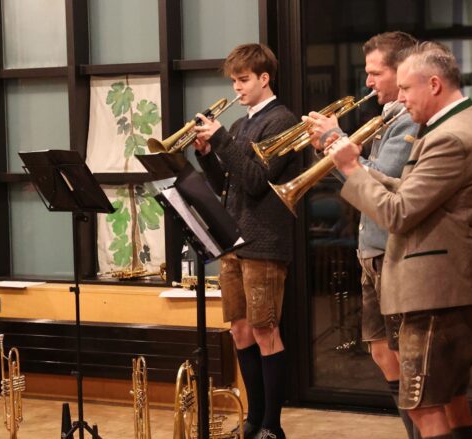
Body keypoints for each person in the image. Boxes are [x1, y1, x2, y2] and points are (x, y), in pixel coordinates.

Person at [327, 42, 472, 439]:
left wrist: (352, 169)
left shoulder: (450, 137)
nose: (401, 98)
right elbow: (411, 192)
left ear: (434, 84)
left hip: (438, 292)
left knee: (423, 408)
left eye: (406, 88)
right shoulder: (461, 124)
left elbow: (398, 213)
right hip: (451, 287)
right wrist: (362, 173)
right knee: (452, 401)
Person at [304, 31, 421, 439]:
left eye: (375, 73)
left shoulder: (407, 119)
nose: (367, 82)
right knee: (381, 350)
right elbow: (361, 176)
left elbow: (381, 180)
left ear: (400, 71)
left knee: (404, 357)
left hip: (391, 250)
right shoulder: (387, 117)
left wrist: (337, 142)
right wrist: (334, 151)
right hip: (370, 247)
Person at [192, 43, 301, 439]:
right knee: (240, 330)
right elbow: (227, 184)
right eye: (234, 81)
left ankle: (272, 426)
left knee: (265, 330)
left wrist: (221, 140)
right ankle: (254, 419)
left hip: (264, 242)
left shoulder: (282, 121)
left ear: (264, 78)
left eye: (243, 80)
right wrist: (207, 154)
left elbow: (255, 182)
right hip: (233, 241)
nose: (236, 88)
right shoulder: (240, 125)